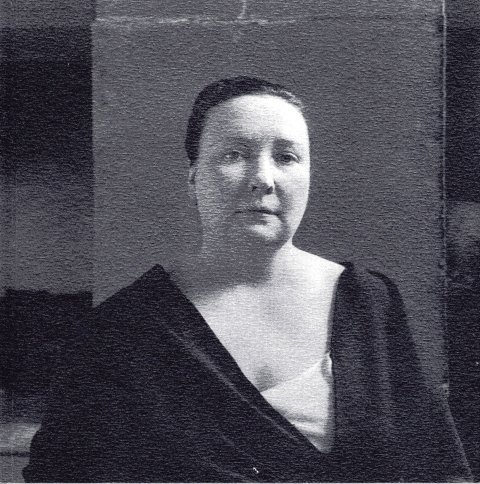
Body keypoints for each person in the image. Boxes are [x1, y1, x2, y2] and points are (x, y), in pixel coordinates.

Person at [23, 76, 471, 482]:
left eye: (287, 157)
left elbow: (440, 468)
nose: (263, 179)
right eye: (233, 155)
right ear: (194, 177)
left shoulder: (369, 301)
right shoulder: (120, 329)